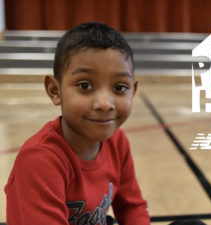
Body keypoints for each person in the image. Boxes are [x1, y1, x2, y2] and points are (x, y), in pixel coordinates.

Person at [5, 22, 150, 225]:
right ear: (55, 91)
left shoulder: (117, 142)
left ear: (133, 92)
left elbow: (131, 207)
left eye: (119, 87)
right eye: (85, 85)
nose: (104, 104)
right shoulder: (40, 160)